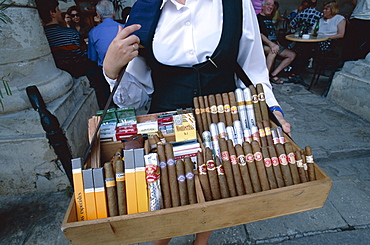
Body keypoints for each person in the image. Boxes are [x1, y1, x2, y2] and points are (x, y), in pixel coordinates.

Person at [104, 0, 290, 140]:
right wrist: (111, 70)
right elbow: (138, 98)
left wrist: (273, 110)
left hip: (228, 129)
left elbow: (253, 71)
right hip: (167, 137)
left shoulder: (236, 4)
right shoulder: (143, 13)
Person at [35, 0, 113, 110]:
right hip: (79, 71)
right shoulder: (71, 34)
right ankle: (106, 106)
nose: (61, 12)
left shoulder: (41, 38)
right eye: (58, 10)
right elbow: (85, 56)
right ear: (52, 13)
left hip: (59, 72)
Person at [257, 0, 296, 84]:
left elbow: (270, 32)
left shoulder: (269, 17)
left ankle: (273, 74)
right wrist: (271, 44)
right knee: (273, 51)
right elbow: (259, 34)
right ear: (262, 6)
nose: (270, 7)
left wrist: (276, 41)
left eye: (272, 5)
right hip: (262, 45)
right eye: (268, 4)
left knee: (291, 55)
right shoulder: (258, 18)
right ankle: (265, 79)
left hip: (273, 43)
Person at [88, 0, 125, 67]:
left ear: (98, 14)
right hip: (126, 68)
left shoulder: (93, 32)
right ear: (114, 13)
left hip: (105, 69)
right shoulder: (124, 28)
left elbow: (93, 58)